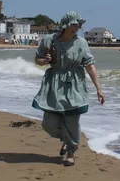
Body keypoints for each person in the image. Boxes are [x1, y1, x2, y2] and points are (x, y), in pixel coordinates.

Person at [32, 11, 105, 166]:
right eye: (73, 25)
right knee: (48, 124)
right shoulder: (49, 40)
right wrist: (45, 60)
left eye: (78, 25)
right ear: (65, 25)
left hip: (74, 84)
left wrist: (99, 88)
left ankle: (71, 151)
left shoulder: (81, 43)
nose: (76, 28)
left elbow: (90, 66)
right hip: (54, 83)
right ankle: (66, 139)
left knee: (72, 121)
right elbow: (37, 59)